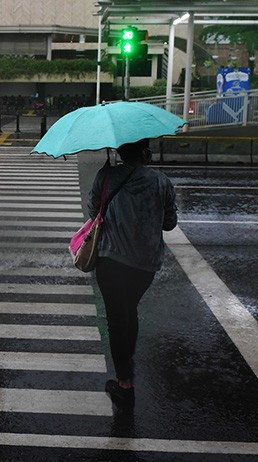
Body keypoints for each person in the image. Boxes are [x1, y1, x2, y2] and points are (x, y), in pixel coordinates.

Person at [87, 138, 178, 409]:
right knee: (130, 310)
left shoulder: (106, 177)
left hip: (111, 260)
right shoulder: (161, 181)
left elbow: (94, 215)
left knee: (117, 319)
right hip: (146, 264)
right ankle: (128, 360)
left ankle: (124, 385)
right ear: (145, 152)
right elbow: (170, 224)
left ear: (119, 151)